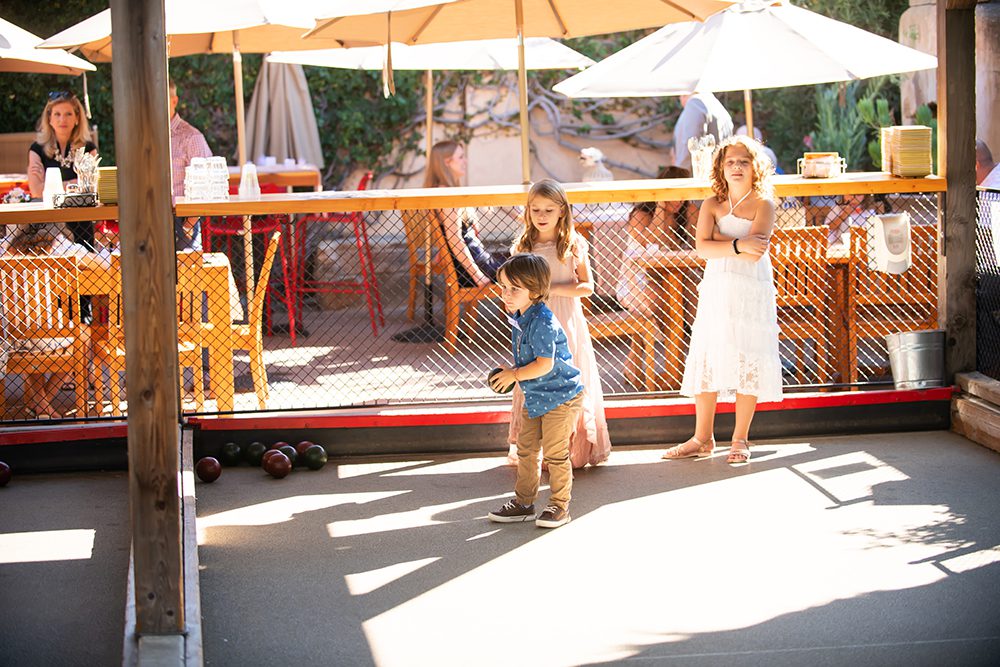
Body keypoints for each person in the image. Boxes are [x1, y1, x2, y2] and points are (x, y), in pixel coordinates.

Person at [662, 135, 783, 465]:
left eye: (743, 161)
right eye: (730, 162)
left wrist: (719, 238)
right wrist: (734, 245)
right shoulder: (711, 204)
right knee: (709, 352)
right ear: (720, 167)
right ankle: (702, 438)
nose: (737, 167)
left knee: (749, 354)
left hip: (752, 289)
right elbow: (702, 248)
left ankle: (740, 438)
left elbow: (756, 249)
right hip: (717, 286)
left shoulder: (764, 204)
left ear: (754, 166)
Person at [508, 179, 611, 469]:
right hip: (532, 321)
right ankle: (537, 448)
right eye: (536, 209)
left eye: (548, 210)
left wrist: (549, 288)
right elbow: (516, 289)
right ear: (528, 211)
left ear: (562, 211)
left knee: (564, 374)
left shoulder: (573, 244)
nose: (541, 216)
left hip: (565, 319)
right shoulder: (522, 246)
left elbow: (587, 287)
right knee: (535, 373)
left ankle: (568, 448)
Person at [487, 254, 584, 529]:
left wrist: (513, 375)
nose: (506, 294)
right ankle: (524, 503)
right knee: (526, 450)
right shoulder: (520, 316)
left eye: (514, 289)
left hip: (561, 396)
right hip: (537, 394)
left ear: (535, 290)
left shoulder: (542, 320)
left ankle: (559, 505)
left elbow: (544, 364)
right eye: (503, 287)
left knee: (555, 453)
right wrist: (512, 374)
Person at [2, 223, 110, 418]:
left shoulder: (7, 249)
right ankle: (44, 402)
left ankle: (40, 403)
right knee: (84, 336)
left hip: (13, 335)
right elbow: (103, 265)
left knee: (33, 344)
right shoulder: (61, 246)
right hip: (50, 333)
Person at [425, 140, 506, 286]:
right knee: (525, 270)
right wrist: (478, 276)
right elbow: (454, 239)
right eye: (461, 157)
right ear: (447, 162)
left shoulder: (441, 191)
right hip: (470, 269)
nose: (465, 161)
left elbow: (448, 235)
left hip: (469, 262)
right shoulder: (447, 195)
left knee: (521, 262)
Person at [26, 91, 98, 251]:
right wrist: (73, 184)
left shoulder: (88, 148)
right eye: (57, 114)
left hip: (81, 223)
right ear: (49, 119)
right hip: (47, 225)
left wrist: (51, 186)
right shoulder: (36, 149)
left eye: (68, 114)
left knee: (86, 271)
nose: (62, 119)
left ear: (77, 118)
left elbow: (91, 188)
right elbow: (36, 191)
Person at [169, 78, 213, 250]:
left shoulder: (192, 137)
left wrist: (187, 225)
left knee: (186, 276)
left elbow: (207, 185)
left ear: (174, 101)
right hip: (149, 218)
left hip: (181, 219)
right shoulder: (145, 136)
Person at [672, 93, 734, 172]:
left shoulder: (695, 103)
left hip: (699, 178)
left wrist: (679, 174)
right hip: (719, 175)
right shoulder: (717, 106)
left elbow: (689, 146)